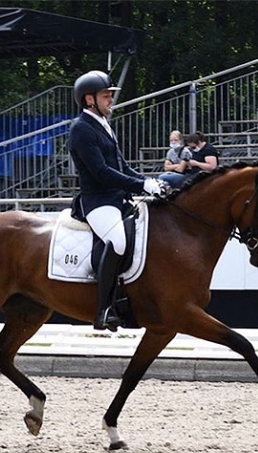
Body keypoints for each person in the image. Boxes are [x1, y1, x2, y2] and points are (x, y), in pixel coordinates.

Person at [68, 70, 166, 332]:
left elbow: (121, 167)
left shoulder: (103, 125)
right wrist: (138, 185)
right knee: (118, 242)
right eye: (106, 96)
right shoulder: (81, 129)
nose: (111, 99)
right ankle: (104, 310)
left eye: (111, 95)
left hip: (117, 198)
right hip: (98, 201)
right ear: (90, 100)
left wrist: (148, 182)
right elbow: (101, 172)